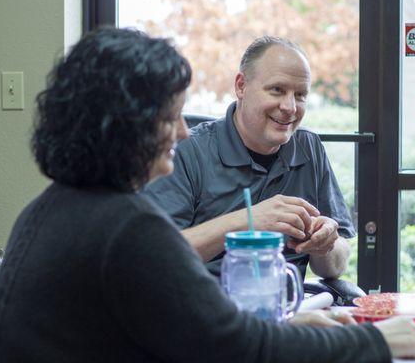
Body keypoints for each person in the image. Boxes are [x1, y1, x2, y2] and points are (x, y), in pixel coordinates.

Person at [0, 27, 415, 362]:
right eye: (171, 117)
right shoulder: (126, 227)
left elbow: (207, 335)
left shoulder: (52, 207)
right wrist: (378, 341)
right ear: (126, 127)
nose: (183, 131)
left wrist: (286, 324)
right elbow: (237, 347)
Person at [145, 36, 352, 280]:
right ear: (241, 86)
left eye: (300, 95)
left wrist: (325, 243)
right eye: (277, 90)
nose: (290, 107)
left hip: (291, 306)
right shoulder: (186, 150)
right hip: (208, 307)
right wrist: (251, 221)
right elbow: (156, 255)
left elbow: (336, 266)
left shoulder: (309, 146)